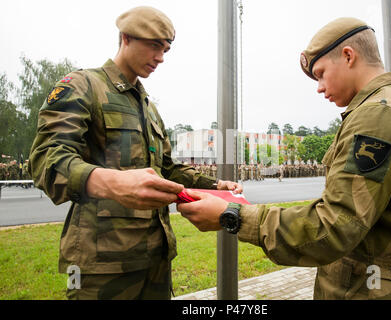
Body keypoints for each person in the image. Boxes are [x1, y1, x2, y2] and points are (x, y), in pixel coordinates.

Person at [177, 17, 391, 300]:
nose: (319, 87)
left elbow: (334, 226)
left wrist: (234, 216)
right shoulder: (387, 107)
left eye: (321, 73)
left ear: (349, 55)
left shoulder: (379, 115)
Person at [28, 6, 242, 300]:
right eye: (154, 46)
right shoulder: (84, 86)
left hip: (155, 259)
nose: (161, 57)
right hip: (100, 266)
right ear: (126, 38)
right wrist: (112, 182)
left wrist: (217, 187)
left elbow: (167, 169)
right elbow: (46, 159)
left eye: (165, 49)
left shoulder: (148, 107)